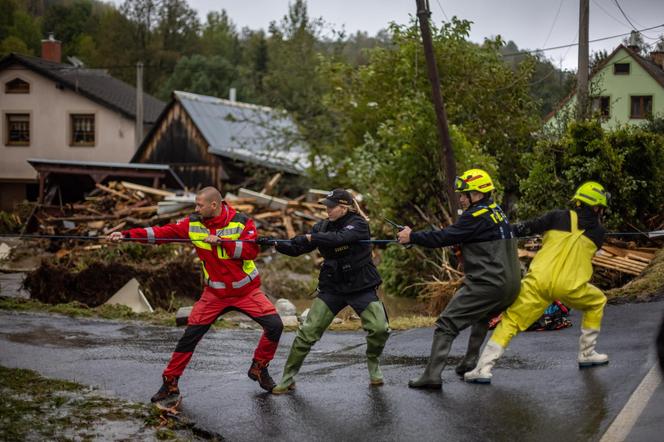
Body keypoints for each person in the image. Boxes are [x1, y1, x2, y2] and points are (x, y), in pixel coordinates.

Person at [108, 187, 283, 403]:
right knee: (189, 337)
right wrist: (125, 236)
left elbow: (250, 251)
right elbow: (162, 233)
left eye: (200, 205)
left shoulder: (241, 221)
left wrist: (222, 242)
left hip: (245, 291)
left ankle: (259, 368)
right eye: (196, 204)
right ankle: (170, 383)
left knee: (275, 326)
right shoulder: (193, 223)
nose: (195, 208)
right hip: (215, 294)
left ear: (214, 205)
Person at [465, 181, 610, 384]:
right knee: (597, 301)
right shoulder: (599, 234)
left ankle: (483, 368)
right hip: (571, 286)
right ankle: (586, 353)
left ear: (578, 201)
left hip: (538, 280)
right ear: (596, 207)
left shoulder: (557, 216)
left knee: (511, 321)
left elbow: (527, 227)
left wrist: (497, 231)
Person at [398, 168, 521, 389]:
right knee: (482, 315)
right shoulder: (496, 211)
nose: (461, 198)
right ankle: (469, 362)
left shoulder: (475, 216)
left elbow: (444, 237)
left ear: (478, 194)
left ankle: (432, 376)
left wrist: (412, 237)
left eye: (465, 194)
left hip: (489, 283)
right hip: (510, 285)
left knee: (446, 324)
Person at [263, 188, 389, 394]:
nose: (327, 210)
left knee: (379, 328)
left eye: (331, 206)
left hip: (361, 286)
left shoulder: (358, 224)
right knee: (307, 333)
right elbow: (297, 249)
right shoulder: (321, 226)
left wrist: (312, 238)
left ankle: (373, 363)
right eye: (326, 206)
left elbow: (339, 239)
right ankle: (287, 378)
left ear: (343, 207)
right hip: (333, 287)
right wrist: (276, 243)